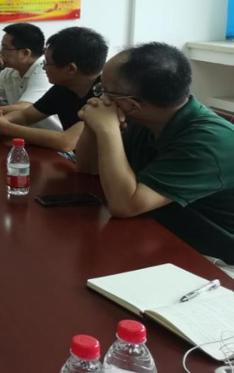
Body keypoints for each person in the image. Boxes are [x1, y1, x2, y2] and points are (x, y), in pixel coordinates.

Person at [76, 43, 234, 275]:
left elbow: (125, 206)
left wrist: (108, 131)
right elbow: (87, 168)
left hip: (217, 261)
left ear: (133, 104)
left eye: (104, 90)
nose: (100, 97)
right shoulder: (149, 119)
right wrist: (93, 126)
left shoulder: (208, 143)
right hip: (164, 233)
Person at [0, 27, 108, 153]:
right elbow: (25, 116)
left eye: (47, 63)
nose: (44, 68)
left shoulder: (106, 97)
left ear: (71, 69)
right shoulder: (63, 88)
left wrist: (5, 127)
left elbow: (65, 142)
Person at [0, 23, 61, 131]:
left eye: (5, 48)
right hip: (21, 133)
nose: (0, 52)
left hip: (49, 136)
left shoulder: (45, 72)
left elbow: (24, 108)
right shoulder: (9, 72)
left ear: (25, 53)